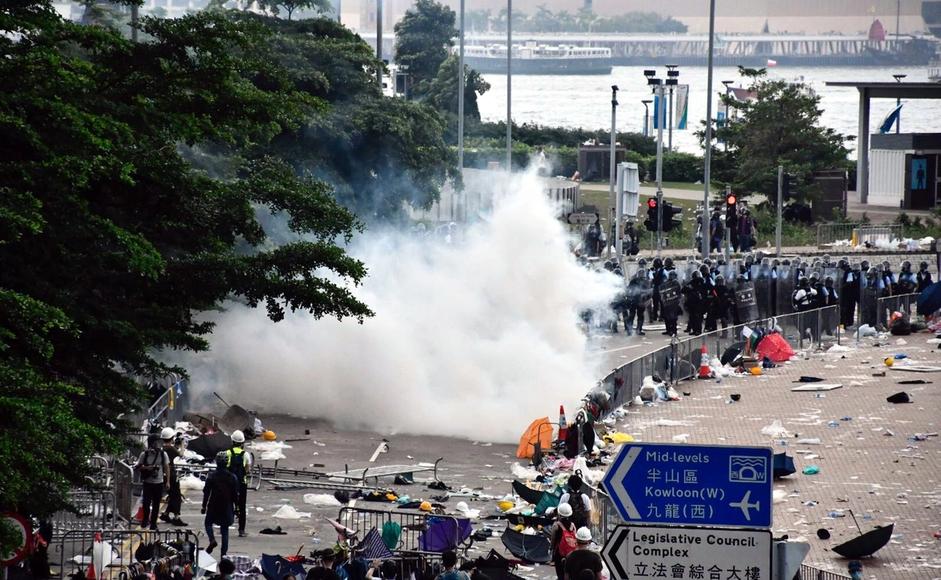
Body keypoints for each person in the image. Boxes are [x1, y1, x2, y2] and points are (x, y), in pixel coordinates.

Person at [203, 451, 239, 556]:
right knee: (225, 530)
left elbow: (206, 492)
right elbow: (235, 495)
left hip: (213, 504)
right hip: (227, 506)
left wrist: (204, 506)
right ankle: (223, 555)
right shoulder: (232, 477)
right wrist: (236, 508)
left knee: (208, 523)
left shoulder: (211, 476)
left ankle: (212, 539)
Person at [134, 434, 170, 530]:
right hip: (147, 482)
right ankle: (145, 520)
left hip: (159, 482)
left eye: (159, 442)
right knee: (146, 502)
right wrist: (147, 468)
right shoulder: (144, 454)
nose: (158, 444)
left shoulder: (163, 454)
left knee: (156, 503)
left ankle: (153, 522)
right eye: (156, 442)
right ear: (151, 443)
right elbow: (138, 466)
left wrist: (168, 482)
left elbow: (166, 468)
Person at [158, 427, 187, 527]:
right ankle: (176, 517)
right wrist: (183, 444)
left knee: (172, 495)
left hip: (164, 474)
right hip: (171, 474)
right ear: (171, 438)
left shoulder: (162, 448)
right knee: (176, 496)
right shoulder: (170, 448)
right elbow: (181, 455)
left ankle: (166, 514)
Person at [226, 430, 252, 537]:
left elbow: (226, 468)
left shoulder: (227, 453)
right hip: (241, 484)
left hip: (229, 484)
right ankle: (241, 530)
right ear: (242, 443)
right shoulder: (245, 454)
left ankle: (225, 526)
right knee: (242, 507)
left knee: (227, 505)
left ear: (232, 441)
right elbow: (247, 469)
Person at [549, 504, 578, 580]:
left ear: (559, 513)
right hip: (571, 553)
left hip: (559, 553)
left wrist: (551, 549)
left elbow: (553, 539)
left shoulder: (556, 525)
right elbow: (575, 538)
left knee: (560, 572)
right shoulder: (572, 525)